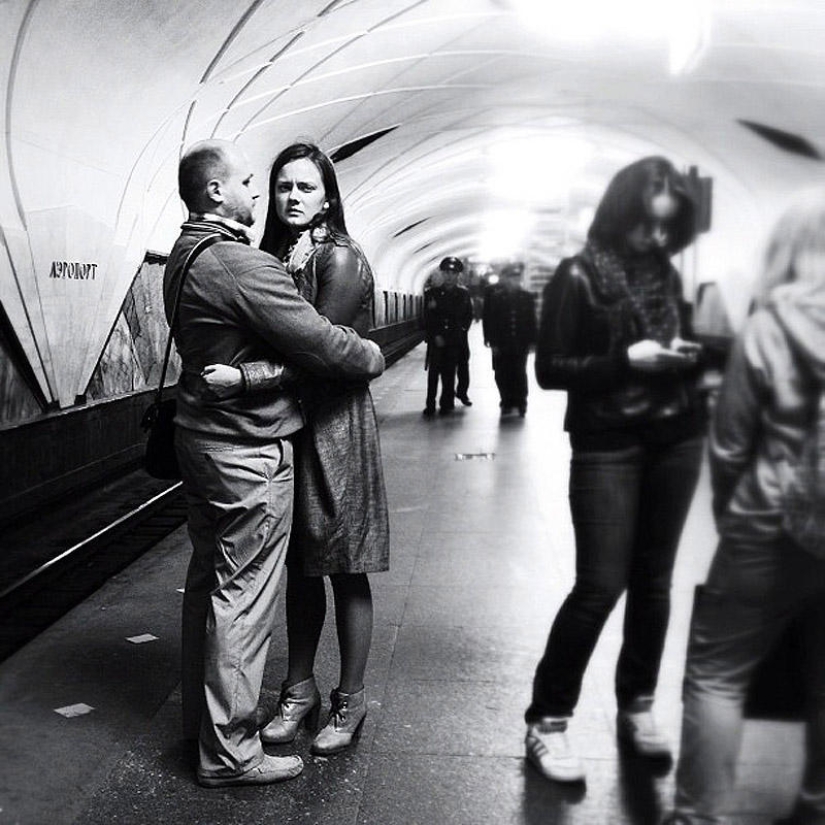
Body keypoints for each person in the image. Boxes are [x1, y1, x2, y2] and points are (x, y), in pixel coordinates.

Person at [167, 139, 384, 788]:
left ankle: (348, 697)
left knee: (343, 563)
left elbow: (327, 350)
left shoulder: (337, 257)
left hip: (330, 426)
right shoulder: (255, 257)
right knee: (290, 567)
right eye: (277, 184)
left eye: (304, 187)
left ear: (328, 195)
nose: (286, 197)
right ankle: (296, 689)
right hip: (283, 424)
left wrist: (245, 375)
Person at [525, 156, 706, 784]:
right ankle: (547, 718)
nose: (657, 240)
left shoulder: (665, 274)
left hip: (676, 435)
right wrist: (627, 359)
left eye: (667, 229)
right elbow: (550, 369)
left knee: (655, 582)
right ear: (622, 215)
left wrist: (685, 357)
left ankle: (638, 704)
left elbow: (677, 346)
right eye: (647, 227)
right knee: (600, 583)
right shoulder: (577, 276)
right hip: (608, 443)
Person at [663, 190, 825, 825]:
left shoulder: (769, 328)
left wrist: (736, 517)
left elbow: (729, 445)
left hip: (771, 518)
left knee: (717, 672)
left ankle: (700, 814)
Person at [482, 261, 537, 416]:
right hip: (502, 342)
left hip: (520, 342)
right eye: (512, 278)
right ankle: (506, 400)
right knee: (502, 373)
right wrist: (492, 342)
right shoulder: (498, 297)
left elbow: (532, 320)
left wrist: (533, 341)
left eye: (517, 278)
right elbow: (491, 320)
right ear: (507, 279)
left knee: (519, 372)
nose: (515, 281)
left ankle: (521, 402)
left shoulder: (526, 297)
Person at [421, 256, 473, 416]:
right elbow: (427, 318)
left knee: (449, 373)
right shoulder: (432, 293)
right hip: (436, 341)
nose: (450, 276)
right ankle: (430, 404)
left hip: (455, 340)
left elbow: (467, 315)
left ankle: (447, 403)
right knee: (434, 373)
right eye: (447, 273)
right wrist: (435, 335)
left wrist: (461, 331)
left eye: (453, 273)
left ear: (458, 275)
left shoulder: (464, 294)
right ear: (442, 274)